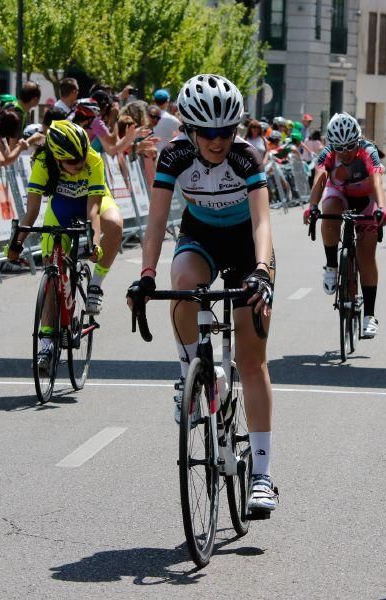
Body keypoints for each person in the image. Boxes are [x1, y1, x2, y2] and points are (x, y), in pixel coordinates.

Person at [127, 74, 278, 516]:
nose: (218, 140)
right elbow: (157, 222)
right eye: (208, 132)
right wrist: (147, 274)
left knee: (252, 360)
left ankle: (264, 476)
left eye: (226, 131)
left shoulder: (246, 158)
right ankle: (191, 375)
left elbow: (262, 223)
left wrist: (263, 272)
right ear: (190, 129)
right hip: (201, 239)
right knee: (182, 282)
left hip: (248, 247)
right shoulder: (174, 155)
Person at [9, 120, 122, 332]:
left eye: (82, 159)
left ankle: (95, 285)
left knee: (115, 225)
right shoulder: (43, 162)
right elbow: (31, 212)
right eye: (73, 163)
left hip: (92, 202)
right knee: (52, 274)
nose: (80, 165)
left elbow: (93, 211)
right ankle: (46, 341)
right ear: (58, 158)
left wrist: (94, 243)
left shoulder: (93, 159)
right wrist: (15, 245)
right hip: (61, 208)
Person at [304, 112, 386, 338]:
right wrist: (312, 205)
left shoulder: (368, 151)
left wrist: (381, 207)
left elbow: (378, 181)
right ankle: (332, 265)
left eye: (350, 146)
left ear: (358, 140)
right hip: (339, 195)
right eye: (339, 148)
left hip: (366, 200)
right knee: (328, 210)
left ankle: (370, 315)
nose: (346, 152)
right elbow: (320, 178)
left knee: (366, 254)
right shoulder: (327, 154)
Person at [150, 88, 182, 154]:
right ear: (167, 102)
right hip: (166, 157)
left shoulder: (146, 118)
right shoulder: (173, 120)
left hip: (149, 156)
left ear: (154, 101)